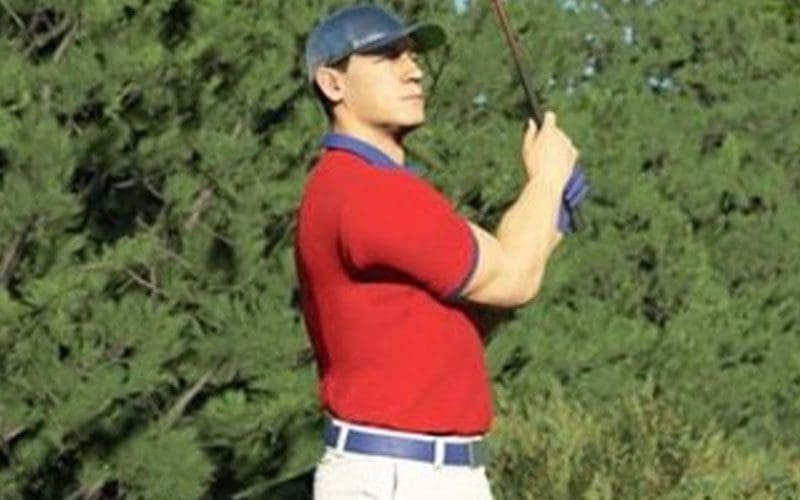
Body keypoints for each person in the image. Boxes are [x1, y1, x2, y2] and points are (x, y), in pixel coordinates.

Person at [294, 4, 584, 499]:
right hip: (398, 474)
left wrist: (550, 212)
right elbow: (512, 278)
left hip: (414, 471)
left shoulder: (365, 187)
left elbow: (479, 308)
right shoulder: (369, 193)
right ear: (332, 83)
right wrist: (547, 180)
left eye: (411, 56)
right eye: (387, 57)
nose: (414, 71)